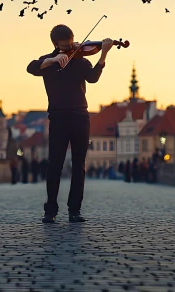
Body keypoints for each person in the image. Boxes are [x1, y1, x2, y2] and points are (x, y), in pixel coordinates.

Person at [27, 24, 113, 223]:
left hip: (80, 117)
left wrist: (103, 55)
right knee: (54, 164)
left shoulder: (80, 61)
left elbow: (93, 79)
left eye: (72, 42)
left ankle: (75, 210)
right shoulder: (47, 64)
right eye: (66, 44)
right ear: (56, 43)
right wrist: (52, 60)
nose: (71, 47)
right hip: (57, 117)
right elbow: (30, 67)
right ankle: (50, 210)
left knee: (79, 165)